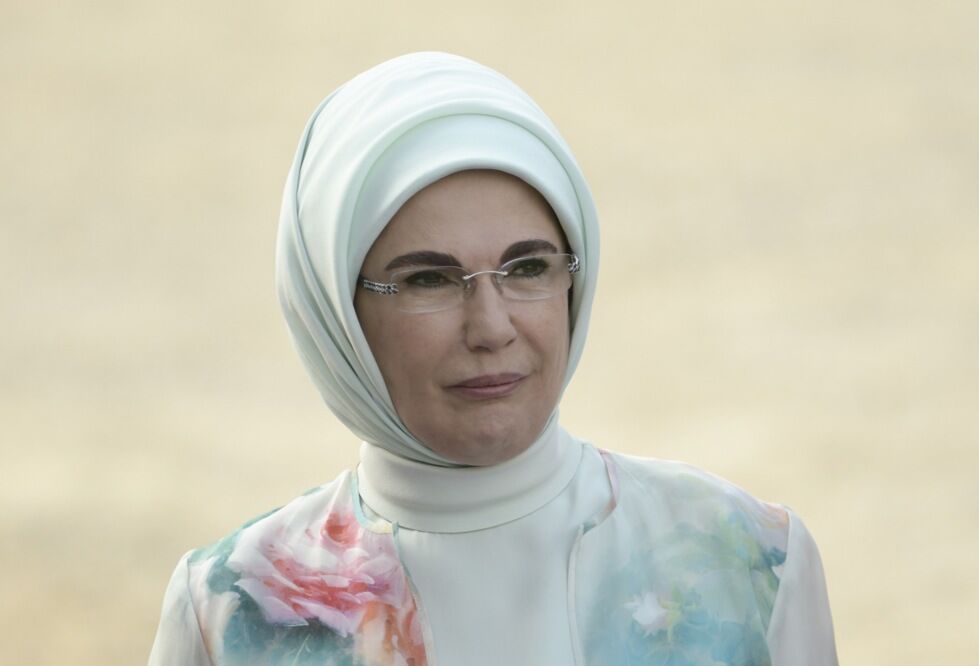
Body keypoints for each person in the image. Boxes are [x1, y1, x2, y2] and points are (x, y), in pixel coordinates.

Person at [149, 52, 838, 666]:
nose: (491, 327)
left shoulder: (749, 566)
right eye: (429, 279)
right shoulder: (229, 616)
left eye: (528, 267)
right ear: (336, 314)